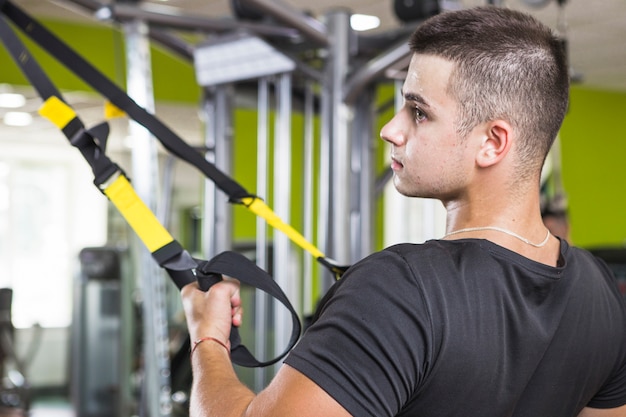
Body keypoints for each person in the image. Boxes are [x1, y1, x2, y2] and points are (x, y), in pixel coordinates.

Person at [180, 6, 626, 417]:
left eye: (418, 112)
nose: (390, 129)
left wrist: (208, 337)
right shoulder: (598, 287)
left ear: (492, 142)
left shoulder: (399, 289)